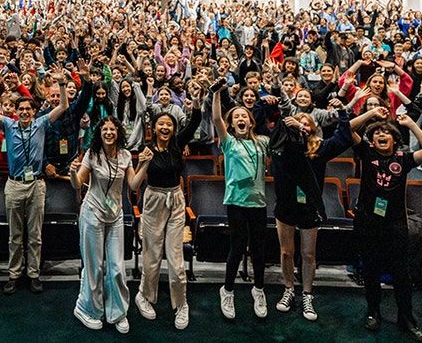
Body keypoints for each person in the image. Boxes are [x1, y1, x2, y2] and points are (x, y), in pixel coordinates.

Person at [350, 106, 422, 342]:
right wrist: (371, 116)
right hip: (368, 220)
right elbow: (347, 129)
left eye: (386, 132)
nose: (381, 135)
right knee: (370, 269)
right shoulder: (366, 153)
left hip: (395, 223)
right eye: (377, 132)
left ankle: (406, 316)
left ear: (394, 139)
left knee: (401, 271)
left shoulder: (403, 159)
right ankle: (373, 311)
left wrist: (410, 125)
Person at [0, 68, 69, 295]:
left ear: (34, 110)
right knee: (15, 235)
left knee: (35, 235)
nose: (24, 112)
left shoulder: (41, 123)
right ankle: (14, 274)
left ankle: (33, 274)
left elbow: (63, 106)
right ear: (16, 112)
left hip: (36, 184)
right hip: (14, 184)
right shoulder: (8, 125)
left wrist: (60, 84)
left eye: (28, 109)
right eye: (21, 109)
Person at [268, 104, 357, 322]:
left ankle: (307, 293)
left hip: (309, 206)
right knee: (287, 252)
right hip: (287, 205)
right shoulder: (283, 146)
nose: (303, 126)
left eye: (307, 123)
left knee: (308, 254)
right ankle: (289, 288)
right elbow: (267, 127)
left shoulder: (320, 147)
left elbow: (344, 137)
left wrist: (344, 113)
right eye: (299, 122)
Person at [69, 114, 147, 334]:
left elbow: (132, 185)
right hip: (92, 213)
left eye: (113, 129)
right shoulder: (92, 155)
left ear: (118, 132)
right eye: (105, 130)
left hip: (115, 216)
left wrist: (145, 164)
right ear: (99, 133)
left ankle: (118, 312)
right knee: (95, 266)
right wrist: (73, 172)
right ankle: (87, 309)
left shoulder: (124, 156)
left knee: (116, 267)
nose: (109, 133)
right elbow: (79, 183)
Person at [130, 96, 202, 329]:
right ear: (154, 128)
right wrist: (142, 163)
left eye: (169, 124)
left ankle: (181, 303)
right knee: (151, 258)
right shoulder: (147, 149)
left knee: (176, 259)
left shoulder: (178, 144)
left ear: (173, 128)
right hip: (153, 200)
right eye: (161, 124)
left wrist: (198, 103)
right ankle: (144, 295)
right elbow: (135, 184)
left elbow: (194, 122)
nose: (165, 127)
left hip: (176, 200)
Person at [212, 80, 272, 321]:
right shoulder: (229, 143)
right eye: (236, 116)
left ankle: (259, 290)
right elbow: (217, 120)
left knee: (259, 250)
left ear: (250, 121)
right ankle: (227, 291)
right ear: (232, 123)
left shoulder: (262, 142)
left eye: (244, 116)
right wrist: (216, 93)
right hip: (236, 202)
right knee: (237, 248)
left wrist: (273, 96)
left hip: (258, 202)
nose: (240, 119)